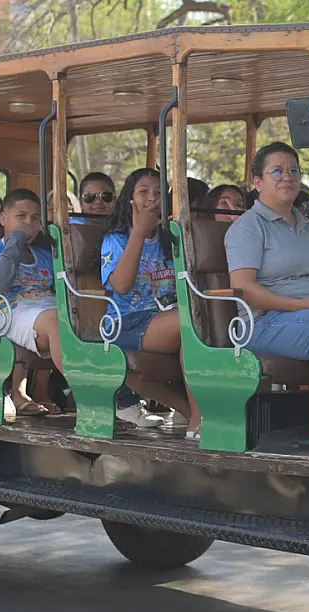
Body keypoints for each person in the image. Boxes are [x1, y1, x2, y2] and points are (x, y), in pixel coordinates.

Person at [224, 142, 309, 458]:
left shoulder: (307, 227)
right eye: (276, 171)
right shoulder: (248, 227)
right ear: (258, 182)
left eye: (293, 171)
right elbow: (244, 288)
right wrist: (303, 306)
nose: (287, 177)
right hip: (263, 322)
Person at [101, 167, 202, 438]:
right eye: (143, 192)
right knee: (188, 320)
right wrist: (139, 232)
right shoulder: (117, 239)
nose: (152, 198)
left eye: (159, 193)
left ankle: (193, 413)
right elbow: (120, 286)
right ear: (130, 200)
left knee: (196, 320)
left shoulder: (171, 237)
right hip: (126, 322)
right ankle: (199, 417)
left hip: (166, 316)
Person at [0, 189, 64, 415]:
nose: (28, 224)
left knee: (74, 318)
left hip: (44, 309)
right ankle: (89, 399)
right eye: (21, 217)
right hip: (9, 311)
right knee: (56, 321)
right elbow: (0, 282)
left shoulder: (43, 255)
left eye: (35, 218)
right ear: (3, 218)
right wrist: (16, 239)